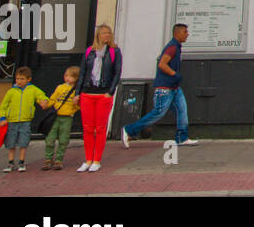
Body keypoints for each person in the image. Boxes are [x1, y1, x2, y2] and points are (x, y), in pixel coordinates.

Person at [123, 24, 197, 148]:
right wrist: (175, 74)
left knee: (182, 110)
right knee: (158, 113)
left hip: (174, 88)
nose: (187, 34)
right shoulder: (172, 47)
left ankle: (182, 137)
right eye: (185, 32)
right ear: (177, 33)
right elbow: (162, 64)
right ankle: (129, 130)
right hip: (165, 88)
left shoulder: (176, 47)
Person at [77, 24, 123, 172]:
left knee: (101, 128)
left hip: (103, 94)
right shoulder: (89, 52)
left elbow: (117, 73)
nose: (106, 36)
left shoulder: (114, 51)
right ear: (98, 35)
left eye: (108, 33)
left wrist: (110, 91)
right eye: (103, 33)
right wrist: (78, 93)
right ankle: (88, 159)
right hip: (87, 93)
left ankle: (97, 159)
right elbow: (83, 72)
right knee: (88, 128)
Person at [0, 66, 49, 172]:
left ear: (28, 79)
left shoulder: (33, 89)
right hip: (12, 120)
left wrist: (44, 101)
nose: (19, 81)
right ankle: (10, 162)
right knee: (11, 142)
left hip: (25, 121)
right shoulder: (11, 91)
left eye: (22, 79)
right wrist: (3, 118)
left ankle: (22, 162)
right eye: (17, 78)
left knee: (23, 142)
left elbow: (42, 96)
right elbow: (3, 105)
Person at [41, 66, 81, 170]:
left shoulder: (76, 91)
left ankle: (59, 160)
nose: (67, 78)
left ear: (76, 78)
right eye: (66, 75)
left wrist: (74, 106)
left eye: (71, 76)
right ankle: (48, 159)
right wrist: (46, 104)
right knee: (50, 138)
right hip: (56, 116)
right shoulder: (60, 87)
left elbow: (79, 106)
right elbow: (53, 99)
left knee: (63, 140)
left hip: (67, 118)